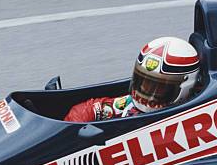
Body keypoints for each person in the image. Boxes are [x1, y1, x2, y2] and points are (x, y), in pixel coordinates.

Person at [64, 37, 200, 122]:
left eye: (159, 87)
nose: (146, 91)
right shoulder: (128, 106)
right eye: (144, 82)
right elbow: (86, 109)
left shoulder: (193, 119)